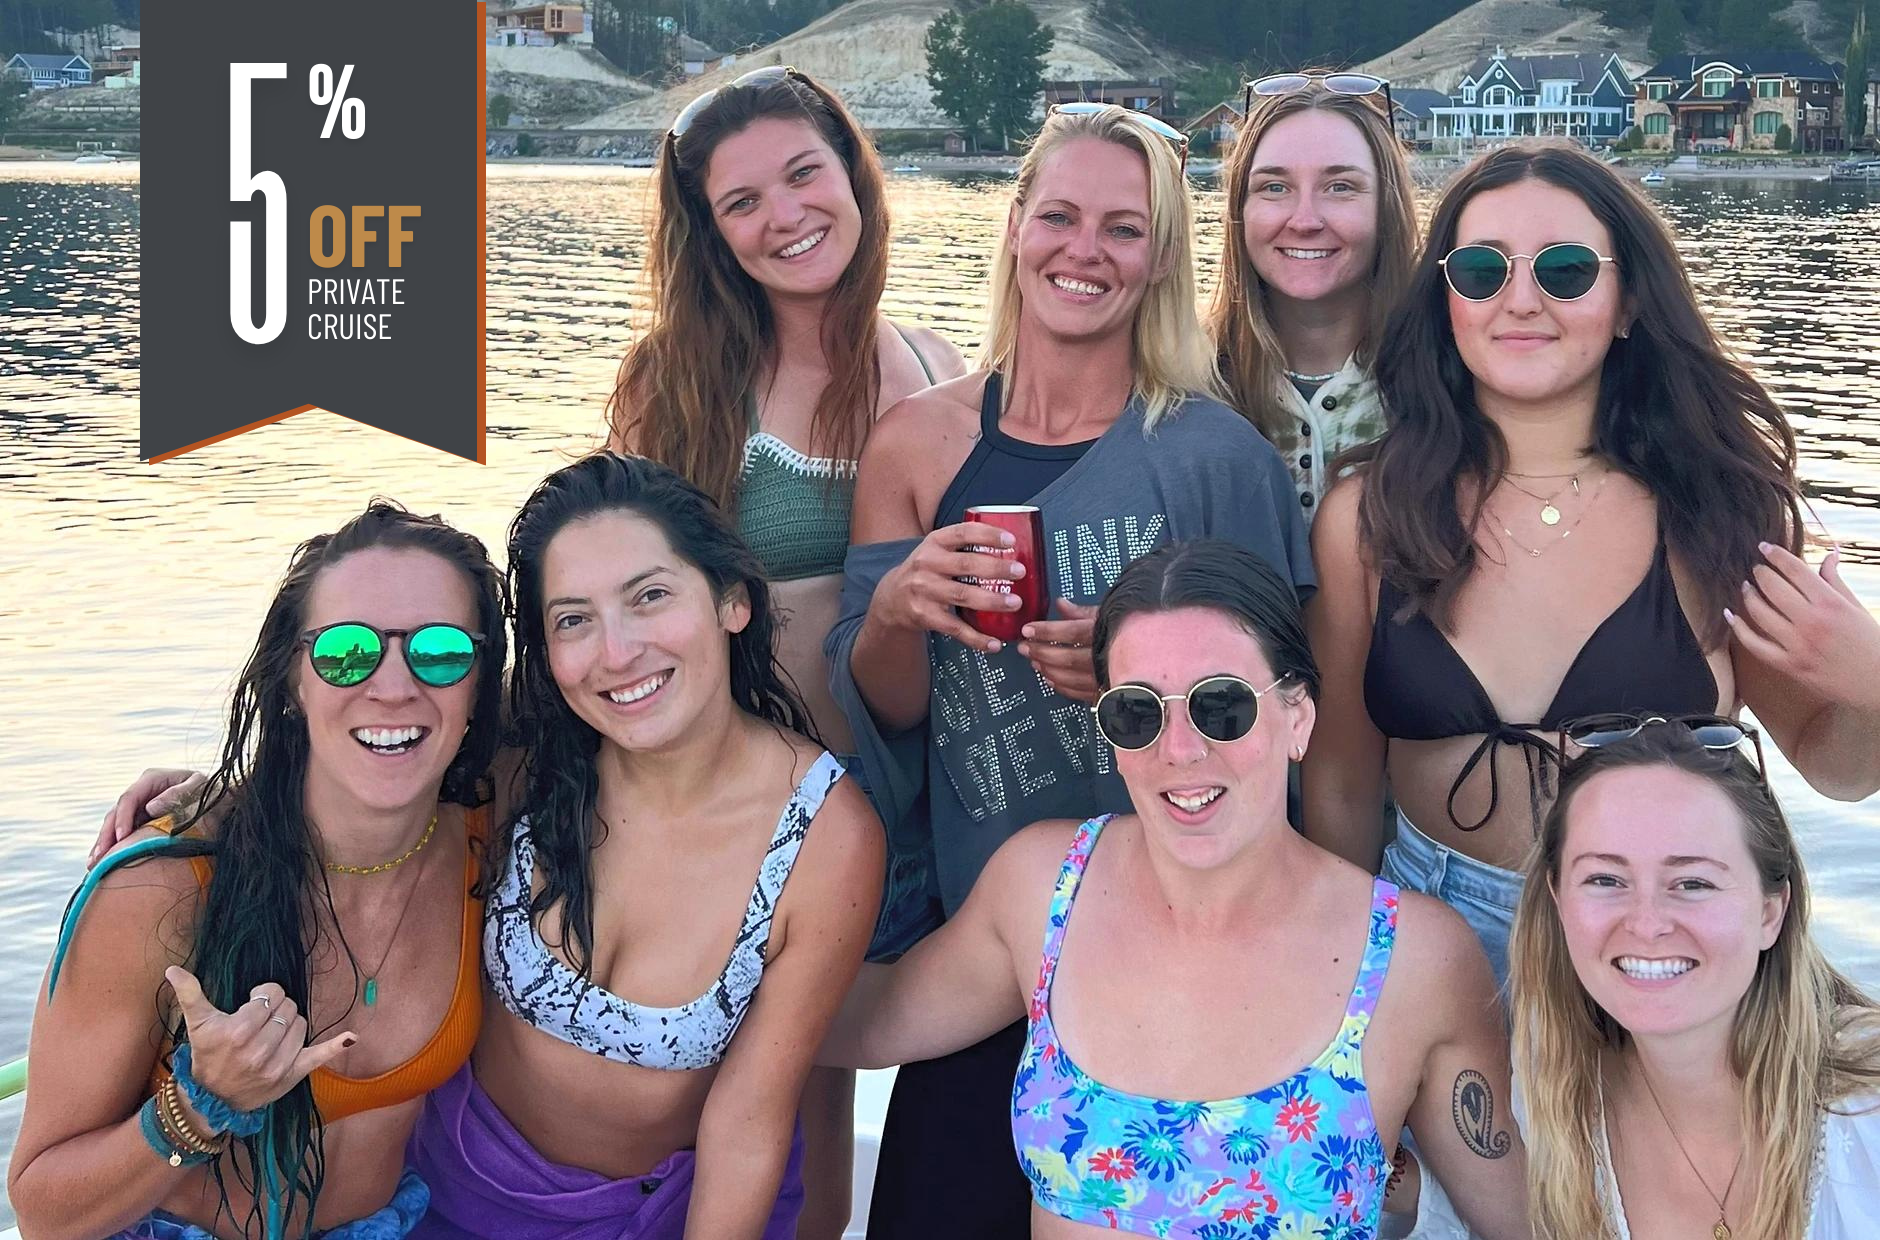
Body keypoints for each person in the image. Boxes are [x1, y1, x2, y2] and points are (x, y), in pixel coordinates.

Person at [825, 104, 1313, 1237]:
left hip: (1180, 947)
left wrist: (1142, 687)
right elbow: (890, 712)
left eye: (1121, 229)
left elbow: (1284, 719)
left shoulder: (1215, 458)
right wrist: (897, 610)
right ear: (1013, 227)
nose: (1081, 251)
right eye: (1057, 216)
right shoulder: (917, 442)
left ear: (1158, 261)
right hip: (978, 947)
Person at [823, 541, 1530, 1240]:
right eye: (1137, 712)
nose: (1180, 749)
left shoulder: (1416, 958)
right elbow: (873, 1020)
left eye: (1221, 706)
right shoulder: (1042, 888)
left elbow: (1521, 1218)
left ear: (1298, 717)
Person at [1304, 138, 1880, 990]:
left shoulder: (1713, 508)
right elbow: (1344, 783)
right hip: (1433, 941)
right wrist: (1338, 981)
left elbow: (1835, 766)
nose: (1522, 300)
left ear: (1627, 303)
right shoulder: (1367, 518)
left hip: (1663, 950)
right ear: (1447, 301)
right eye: (1481, 270)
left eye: (1567, 270)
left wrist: (1869, 677)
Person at [608, 67, 964, 1231]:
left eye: (804, 173)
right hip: (749, 816)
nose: (785, 215)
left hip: (915, 800)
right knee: (766, 1100)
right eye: (741, 201)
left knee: (861, 1079)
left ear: (853, 175)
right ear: (709, 234)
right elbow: (601, 593)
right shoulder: (679, 381)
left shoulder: (935, 357)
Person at [404, 453, 882, 1239]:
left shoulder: (825, 836)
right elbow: (360, 782)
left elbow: (749, 1117)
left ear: (733, 601)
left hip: (653, 1221)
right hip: (437, 1191)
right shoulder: (528, 755)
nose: (617, 652)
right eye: (573, 619)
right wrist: (210, 801)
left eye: (650, 596)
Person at [9, 504, 509, 1240]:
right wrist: (202, 1103)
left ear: (478, 685)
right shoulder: (164, 891)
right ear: (291, 683)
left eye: (441, 653)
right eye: (345, 652)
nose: (396, 686)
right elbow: (42, 1211)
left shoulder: (487, 833)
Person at [1509, 719, 1880, 1238]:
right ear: (1557, 899)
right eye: (1604, 879)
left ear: (1770, 912)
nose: (1646, 923)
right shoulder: (1554, 1088)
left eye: (1692, 882)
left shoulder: (1866, 1115)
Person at [1208, 72, 1417, 516]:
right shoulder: (1190, 387)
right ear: (1239, 211)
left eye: (1339, 187)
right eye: (1274, 187)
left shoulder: (1451, 382)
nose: (1304, 219)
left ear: (1387, 205)